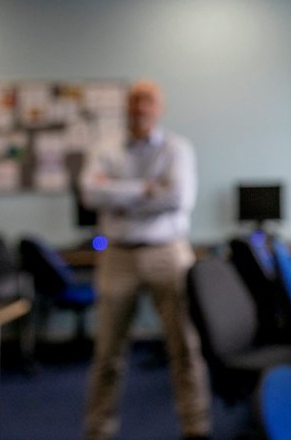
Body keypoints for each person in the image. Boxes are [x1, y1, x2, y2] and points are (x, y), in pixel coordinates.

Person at [79, 80, 211, 440]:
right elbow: (90, 194)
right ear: (126, 105)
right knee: (107, 352)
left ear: (159, 107)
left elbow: (177, 199)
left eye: (148, 100)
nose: (140, 107)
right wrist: (145, 188)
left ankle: (196, 426)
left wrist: (117, 194)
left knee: (184, 347)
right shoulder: (105, 147)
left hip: (167, 252)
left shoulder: (177, 148)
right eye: (135, 100)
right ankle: (99, 429)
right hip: (117, 255)